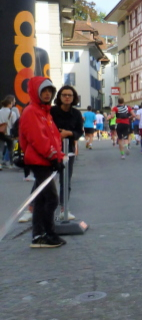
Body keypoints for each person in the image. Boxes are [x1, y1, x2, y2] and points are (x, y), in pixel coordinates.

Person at [19, 77, 67, 248]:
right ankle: (47, 233)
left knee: (41, 199)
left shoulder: (43, 111)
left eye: (50, 91)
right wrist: (54, 157)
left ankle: (39, 235)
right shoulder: (32, 111)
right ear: (36, 92)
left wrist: (58, 156)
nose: (47, 94)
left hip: (44, 159)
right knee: (51, 199)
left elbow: (53, 137)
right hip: (40, 160)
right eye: (44, 91)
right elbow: (38, 138)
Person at [50, 85, 83, 220]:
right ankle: (31, 208)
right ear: (59, 97)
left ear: (74, 98)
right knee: (44, 179)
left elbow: (79, 132)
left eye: (70, 95)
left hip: (67, 150)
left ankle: (64, 209)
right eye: (64, 95)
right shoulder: (52, 111)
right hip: (50, 149)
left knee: (66, 180)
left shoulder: (76, 114)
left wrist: (69, 133)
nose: (67, 97)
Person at [0, 95, 16, 170]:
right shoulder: (12, 113)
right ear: (10, 103)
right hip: (9, 133)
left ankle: (0, 163)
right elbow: (14, 124)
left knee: (0, 149)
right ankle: (10, 163)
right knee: (11, 149)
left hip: (0, 132)